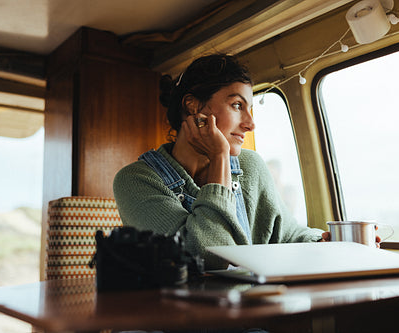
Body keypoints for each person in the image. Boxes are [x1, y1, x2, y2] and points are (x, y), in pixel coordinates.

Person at [113, 54, 328, 270]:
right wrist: (219, 157)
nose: (250, 124)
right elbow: (205, 255)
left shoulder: (250, 165)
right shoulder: (135, 181)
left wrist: (323, 241)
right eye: (237, 105)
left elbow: (288, 235)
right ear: (193, 106)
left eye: (250, 108)